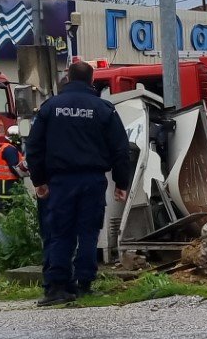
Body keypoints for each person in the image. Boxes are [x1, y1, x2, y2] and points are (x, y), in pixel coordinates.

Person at [26, 60, 132, 307]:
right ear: (91, 81)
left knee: (59, 232)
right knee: (88, 232)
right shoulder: (103, 108)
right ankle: (83, 283)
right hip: (92, 180)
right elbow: (120, 149)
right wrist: (121, 182)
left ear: (67, 78)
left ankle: (57, 287)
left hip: (60, 181)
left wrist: (39, 180)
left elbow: (34, 146)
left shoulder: (51, 107)